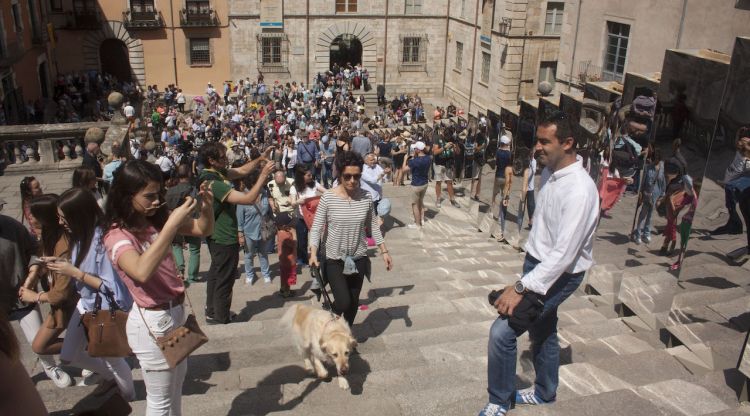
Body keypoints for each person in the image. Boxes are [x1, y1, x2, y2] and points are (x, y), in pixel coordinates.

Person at [479, 112, 599, 416]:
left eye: (546, 141)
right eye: (538, 140)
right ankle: (545, 392)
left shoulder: (580, 191)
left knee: (502, 333)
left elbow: (564, 254)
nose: (538, 147)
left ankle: (499, 399)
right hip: (537, 262)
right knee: (543, 330)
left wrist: (521, 287)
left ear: (568, 143)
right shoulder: (549, 171)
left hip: (561, 272)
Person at [102, 160, 214, 414]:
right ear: (126, 196)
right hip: (152, 323)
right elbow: (140, 271)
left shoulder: (152, 220)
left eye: (159, 194)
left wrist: (207, 206)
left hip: (174, 314)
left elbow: (203, 228)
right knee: (160, 401)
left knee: (175, 391)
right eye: (149, 196)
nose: (157, 201)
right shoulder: (117, 235)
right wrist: (172, 225)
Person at [44, 188, 136, 401]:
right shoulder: (80, 237)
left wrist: (74, 272)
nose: (60, 222)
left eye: (63, 217)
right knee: (68, 355)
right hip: (86, 304)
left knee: (112, 358)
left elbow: (112, 288)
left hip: (102, 308)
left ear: (78, 216)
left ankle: (127, 396)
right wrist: (64, 265)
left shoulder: (100, 241)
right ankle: (113, 379)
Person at [308, 151, 393, 328]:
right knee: (344, 302)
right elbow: (316, 228)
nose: (352, 181)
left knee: (353, 303)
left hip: (359, 257)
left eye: (357, 176)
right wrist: (313, 253)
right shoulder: (328, 197)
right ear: (339, 174)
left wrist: (384, 251)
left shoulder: (366, 197)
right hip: (334, 259)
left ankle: (344, 335)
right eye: (348, 176)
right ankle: (327, 319)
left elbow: (373, 226)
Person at [198, 142, 275, 324]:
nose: (227, 159)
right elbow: (248, 199)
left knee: (216, 274)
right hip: (223, 236)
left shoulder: (216, 173)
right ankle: (221, 317)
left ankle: (212, 311)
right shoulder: (213, 183)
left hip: (218, 234)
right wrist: (263, 175)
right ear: (212, 160)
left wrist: (259, 159)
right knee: (225, 279)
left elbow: (241, 171)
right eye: (223, 156)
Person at [1, 212, 73, 389]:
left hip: (21, 295)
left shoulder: (12, 226)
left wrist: (33, 271)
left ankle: (50, 367)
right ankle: (11, 378)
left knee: (38, 341)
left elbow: (35, 249)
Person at [165, 164, 203, 284]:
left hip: (175, 222)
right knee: (195, 249)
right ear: (189, 174)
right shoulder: (194, 190)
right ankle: (192, 277)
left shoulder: (170, 191)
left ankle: (180, 270)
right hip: (192, 222)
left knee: (176, 246)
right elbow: (199, 207)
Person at [236, 169, 273, 285]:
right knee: (249, 255)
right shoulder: (243, 197)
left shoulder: (264, 193)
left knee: (263, 253)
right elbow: (239, 217)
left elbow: (265, 210)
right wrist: (240, 233)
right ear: (252, 184)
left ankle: (266, 274)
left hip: (263, 230)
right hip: (248, 231)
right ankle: (249, 275)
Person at [712, 127, 750, 236]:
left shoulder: (747, 161)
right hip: (729, 182)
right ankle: (733, 225)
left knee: (731, 205)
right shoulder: (740, 152)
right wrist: (738, 132)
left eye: (742, 145)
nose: (739, 145)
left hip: (733, 185)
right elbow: (737, 143)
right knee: (730, 205)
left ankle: (735, 226)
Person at [268, 170, 299, 297]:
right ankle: (286, 290)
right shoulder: (270, 185)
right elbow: (294, 245)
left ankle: (284, 288)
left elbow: (294, 197)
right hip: (281, 217)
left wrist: (292, 201)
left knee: (284, 270)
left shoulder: (292, 184)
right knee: (287, 271)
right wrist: (272, 203)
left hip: (289, 214)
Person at [633, 148, 665, 244]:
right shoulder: (647, 167)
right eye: (655, 159)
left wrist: (662, 195)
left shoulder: (662, 167)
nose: (656, 161)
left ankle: (646, 233)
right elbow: (643, 182)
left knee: (650, 215)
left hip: (656, 195)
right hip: (647, 194)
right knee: (643, 214)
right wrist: (641, 193)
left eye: (658, 159)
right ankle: (638, 234)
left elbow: (663, 182)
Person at [491, 136, 513, 242]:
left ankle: (492, 224)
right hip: (506, 178)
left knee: (495, 198)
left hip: (498, 176)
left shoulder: (498, 152)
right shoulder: (510, 154)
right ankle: (500, 229)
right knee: (504, 202)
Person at [404, 141, 431, 228]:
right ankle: (422, 219)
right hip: (425, 183)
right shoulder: (428, 158)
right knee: (421, 202)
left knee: (415, 204)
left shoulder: (414, 161)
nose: (414, 149)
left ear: (418, 150)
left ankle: (417, 224)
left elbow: (404, 169)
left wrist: (405, 159)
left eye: (415, 148)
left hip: (416, 185)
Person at [432, 132, 460, 209]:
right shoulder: (437, 138)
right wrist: (444, 147)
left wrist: (455, 146)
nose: (448, 137)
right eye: (447, 136)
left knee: (449, 182)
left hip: (448, 164)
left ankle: (452, 199)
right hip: (438, 163)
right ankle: (438, 199)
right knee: (438, 182)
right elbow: (435, 152)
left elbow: (458, 152)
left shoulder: (453, 139)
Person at [520, 150, 538, 229]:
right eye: (530, 152)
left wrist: (530, 165)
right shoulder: (527, 161)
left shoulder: (533, 161)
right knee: (522, 203)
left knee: (530, 205)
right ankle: (520, 219)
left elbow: (534, 172)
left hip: (530, 187)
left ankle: (531, 220)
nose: (531, 154)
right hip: (524, 186)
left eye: (532, 153)